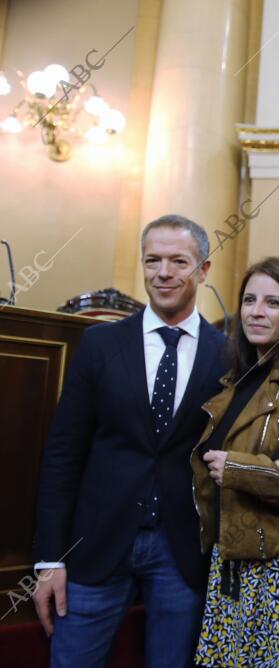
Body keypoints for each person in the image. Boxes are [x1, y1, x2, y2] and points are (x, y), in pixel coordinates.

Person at [32, 215, 227, 668]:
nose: (163, 272)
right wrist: (49, 559)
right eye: (152, 260)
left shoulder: (228, 353)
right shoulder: (99, 345)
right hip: (94, 545)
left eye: (179, 261)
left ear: (203, 270)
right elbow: (63, 455)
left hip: (182, 551)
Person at [191, 257, 279, 667]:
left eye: (272, 302)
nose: (256, 311)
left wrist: (240, 469)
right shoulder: (237, 378)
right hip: (231, 559)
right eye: (249, 300)